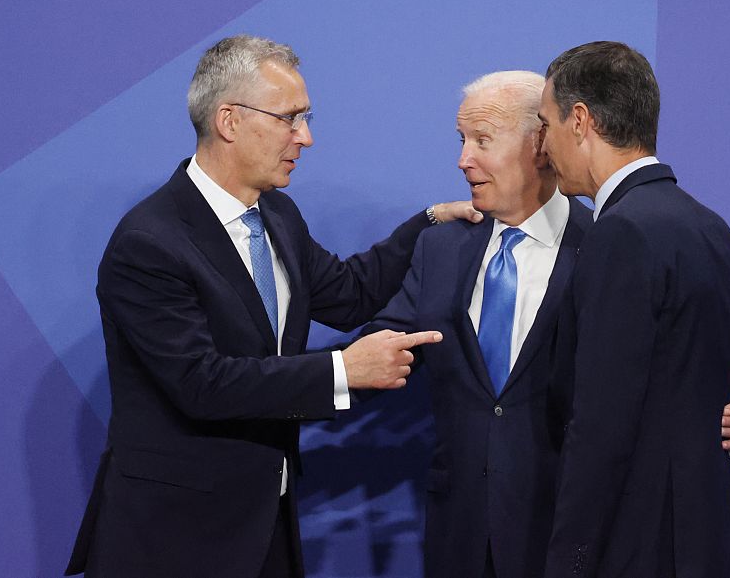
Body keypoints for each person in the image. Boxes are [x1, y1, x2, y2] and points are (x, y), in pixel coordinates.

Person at [64, 34, 479, 578]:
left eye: (305, 118)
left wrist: (428, 223)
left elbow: (350, 294)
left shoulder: (277, 214)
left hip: (266, 521)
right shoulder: (149, 242)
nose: (305, 136)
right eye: (290, 118)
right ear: (229, 121)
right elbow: (201, 383)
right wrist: (343, 370)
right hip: (173, 536)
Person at [364, 71, 730, 578]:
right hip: (461, 539)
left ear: (542, 143)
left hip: (573, 539)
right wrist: (320, 380)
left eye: (482, 140)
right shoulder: (440, 248)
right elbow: (377, 351)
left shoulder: (619, 239)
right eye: (462, 140)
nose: (463, 159)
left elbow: (727, 350)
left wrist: (720, 415)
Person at [539, 41, 730, 577]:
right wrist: (716, 400)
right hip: (712, 543)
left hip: (641, 548)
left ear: (581, 121)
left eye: (546, 125)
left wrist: (569, 564)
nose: (543, 146)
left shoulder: (619, 234)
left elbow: (599, 428)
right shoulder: (708, 225)